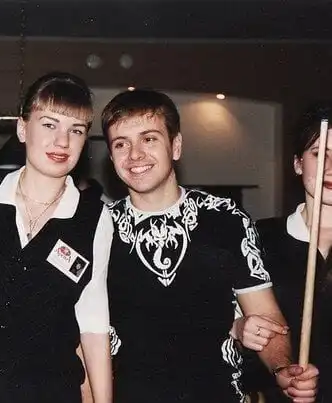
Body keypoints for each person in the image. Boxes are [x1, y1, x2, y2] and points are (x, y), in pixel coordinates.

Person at [102, 88, 319, 402]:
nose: (135, 155)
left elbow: (265, 318)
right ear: (111, 157)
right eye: (121, 144)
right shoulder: (100, 228)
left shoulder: (226, 218)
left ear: (176, 146)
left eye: (149, 139)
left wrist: (282, 369)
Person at [0, 72, 113, 403]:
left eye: (76, 130)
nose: (62, 141)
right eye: (49, 125)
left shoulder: (95, 218)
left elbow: (93, 324)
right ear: (22, 129)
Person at [232, 103, 332, 402]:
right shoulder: (257, 237)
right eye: (320, 154)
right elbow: (213, 317)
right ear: (298, 164)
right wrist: (238, 328)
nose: (330, 167)